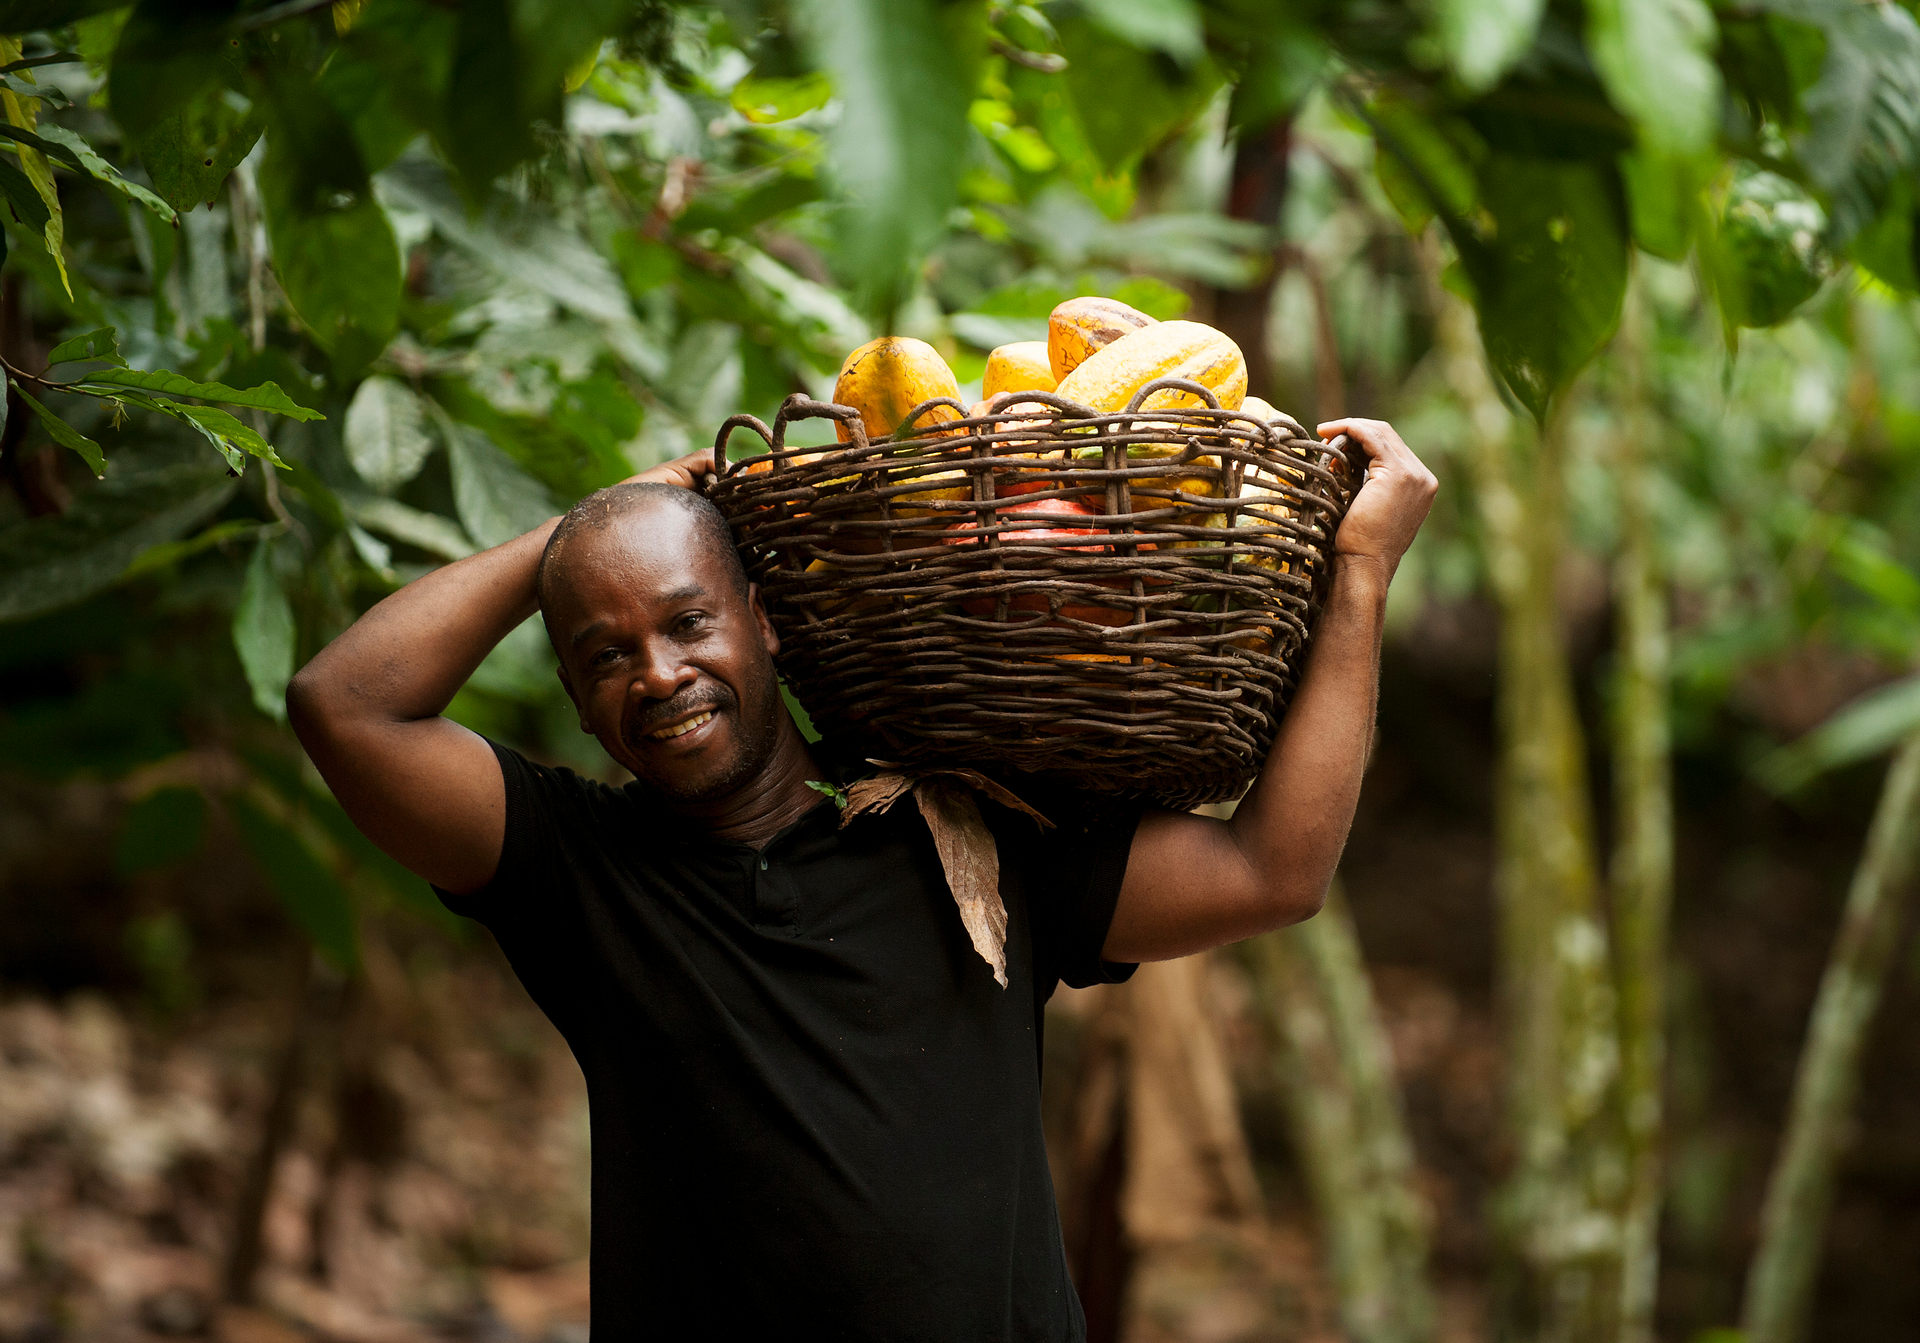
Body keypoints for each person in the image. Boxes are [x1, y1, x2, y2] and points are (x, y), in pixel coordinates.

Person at [287, 417, 1435, 1340]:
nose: (659, 672)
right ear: (581, 703)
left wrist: (1362, 573)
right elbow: (343, 703)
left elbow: (1269, 869)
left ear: (765, 621)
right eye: (605, 653)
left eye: (688, 620)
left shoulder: (961, 827)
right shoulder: (581, 872)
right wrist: (591, 527)